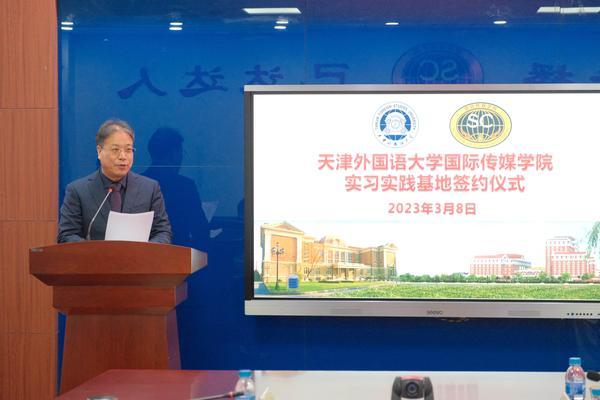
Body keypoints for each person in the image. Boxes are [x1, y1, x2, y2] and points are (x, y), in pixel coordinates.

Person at [57, 119, 172, 243]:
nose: (123, 156)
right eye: (115, 150)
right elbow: (67, 235)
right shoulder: (78, 191)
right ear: (99, 151)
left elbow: (163, 232)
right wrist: (97, 251)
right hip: (95, 256)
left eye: (128, 150)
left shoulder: (149, 189)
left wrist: (142, 251)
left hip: (138, 255)